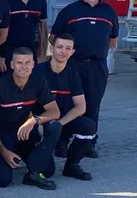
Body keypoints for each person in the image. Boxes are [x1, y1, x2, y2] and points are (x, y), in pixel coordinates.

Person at [50, 0, 118, 158]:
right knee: (67, 103)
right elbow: (54, 37)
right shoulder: (70, 11)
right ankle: (61, 141)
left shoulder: (109, 12)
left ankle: (88, 142)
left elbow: (113, 40)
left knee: (93, 104)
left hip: (97, 66)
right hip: (73, 65)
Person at [0, 48, 62, 190]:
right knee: (2, 180)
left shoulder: (38, 81)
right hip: (2, 133)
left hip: (25, 131)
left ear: (33, 64)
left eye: (27, 63)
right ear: (12, 65)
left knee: (48, 169)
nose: (24, 67)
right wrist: (4, 151)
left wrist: (33, 120)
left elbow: (55, 112)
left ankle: (32, 173)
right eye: (19, 63)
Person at [35, 34, 96, 181]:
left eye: (68, 48)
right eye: (60, 47)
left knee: (88, 126)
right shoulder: (37, 72)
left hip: (63, 120)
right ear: (52, 49)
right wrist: (36, 123)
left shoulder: (73, 75)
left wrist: (60, 124)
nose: (63, 51)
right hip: (40, 121)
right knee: (46, 172)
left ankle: (71, 166)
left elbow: (80, 107)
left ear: (72, 52)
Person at [0, 0, 49, 64]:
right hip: (8, 56)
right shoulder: (3, 0)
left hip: (31, 55)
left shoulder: (40, 0)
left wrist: (42, 55)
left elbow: (43, 29)